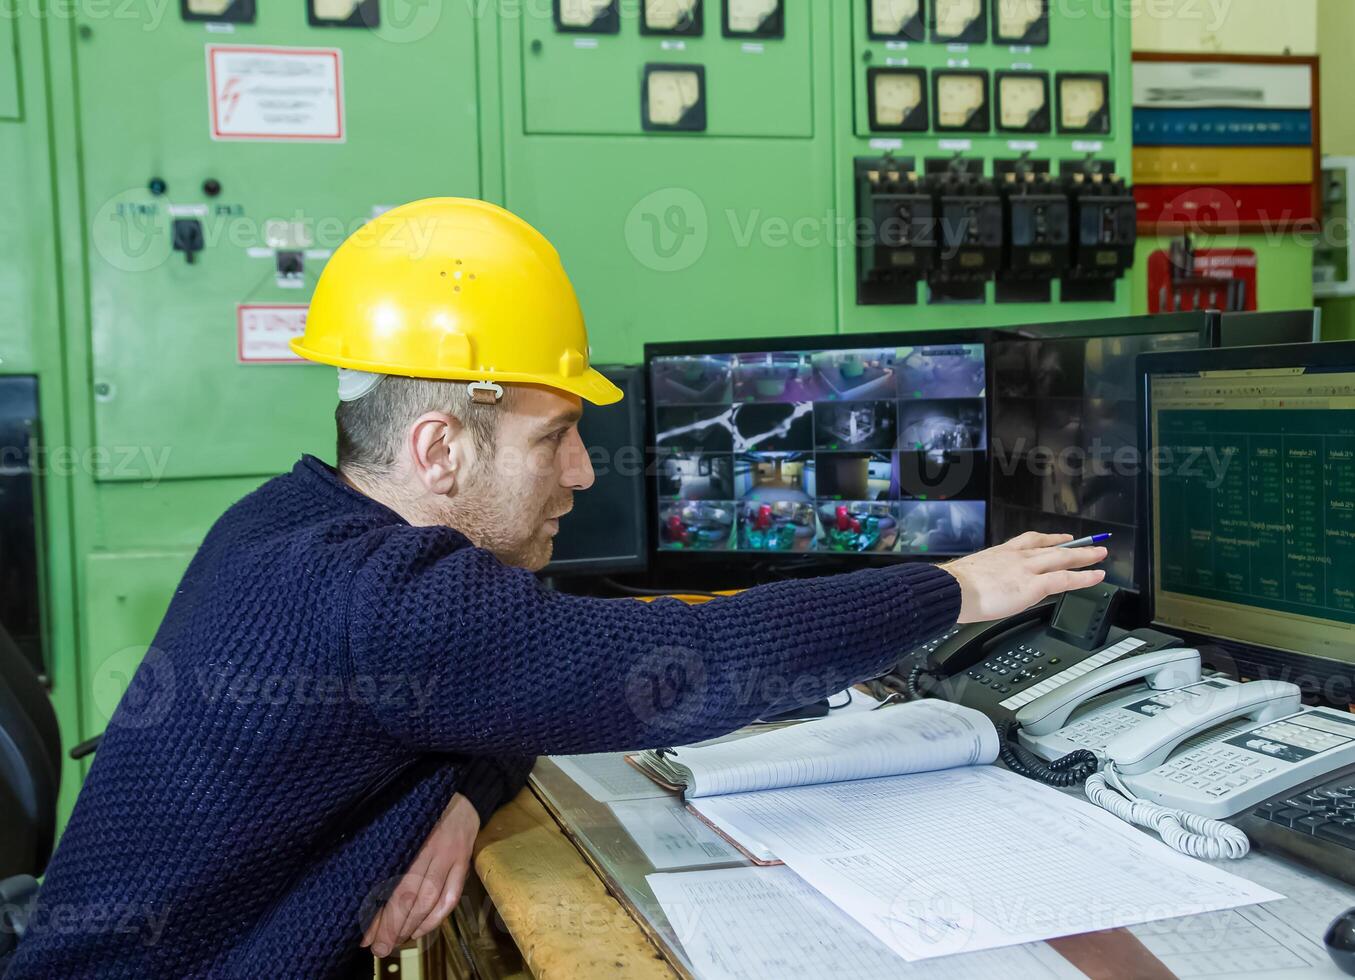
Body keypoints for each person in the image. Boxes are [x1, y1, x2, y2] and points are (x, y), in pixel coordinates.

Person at [6, 199, 1106, 979]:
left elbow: (511, 685)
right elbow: (696, 663)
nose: (582, 472)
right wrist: (954, 586)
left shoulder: (286, 519)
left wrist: (452, 797)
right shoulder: (394, 597)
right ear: (439, 448)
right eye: (559, 434)